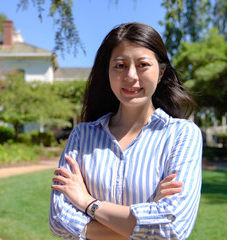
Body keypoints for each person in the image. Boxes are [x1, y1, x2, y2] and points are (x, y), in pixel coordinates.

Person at [49, 22, 202, 240]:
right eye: (120, 65)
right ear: (108, 72)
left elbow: (172, 228)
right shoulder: (82, 136)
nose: (131, 76)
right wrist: (143, 221)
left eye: (143, 65)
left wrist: (87, 203)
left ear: (161, 72)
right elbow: (59, 222)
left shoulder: (181, 135)